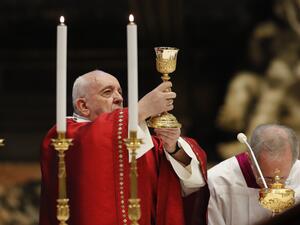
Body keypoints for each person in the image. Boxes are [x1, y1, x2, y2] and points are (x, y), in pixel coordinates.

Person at [39, 70, 209, 225]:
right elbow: (93, 144)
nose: (119, 98)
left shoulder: (137, 135)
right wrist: (141, 109)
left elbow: (184, 180)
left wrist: (173, 147)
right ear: (83, 106)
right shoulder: (64, 136)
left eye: (119, 91)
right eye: (107, 92)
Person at [207, 124, 300, 225]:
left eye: (283, 178)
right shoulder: (217, 182)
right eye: (268, 179)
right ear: (250, 159)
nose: (275, 187)